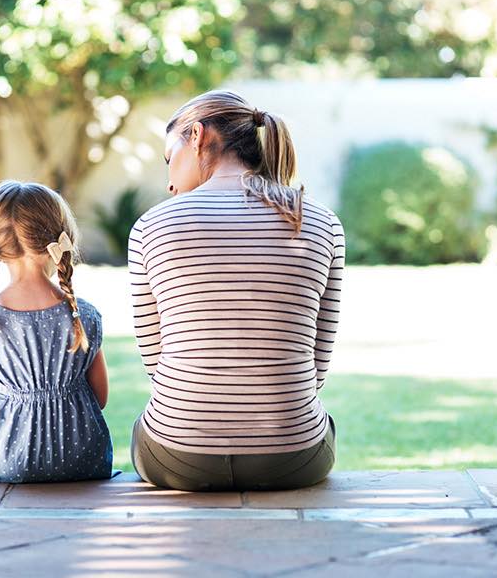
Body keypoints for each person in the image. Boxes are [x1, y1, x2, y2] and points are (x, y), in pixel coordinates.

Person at [128, 90, 345, 491]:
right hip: (292, 457)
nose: (169, 181)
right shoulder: (321, 221)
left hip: (178, 457)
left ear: (196, 135)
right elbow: (317, 365)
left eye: (168, 158)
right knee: (322, 423)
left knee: (146, 427)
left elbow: (156, 364)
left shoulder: (151, 226)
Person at [0, 180, 113, 483]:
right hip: (79, 458)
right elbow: (99, 397)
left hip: (4, 460)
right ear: (61, 239)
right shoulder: (84, 316)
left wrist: (7, 392)